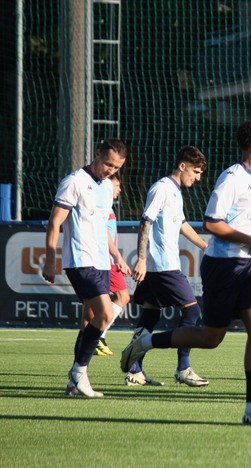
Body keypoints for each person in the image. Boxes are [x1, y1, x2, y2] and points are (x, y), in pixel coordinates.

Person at [121, 120, 251, 425]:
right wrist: (250, 239)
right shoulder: (232, 178)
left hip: (250, 267)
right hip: (223, 268)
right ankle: (145, 343)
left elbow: (247, 227)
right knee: (211, 338)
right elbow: (211, 222)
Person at [42, 138, 129, 397]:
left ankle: (74, 382)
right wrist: (50, 258)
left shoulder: (105, 188)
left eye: (116, 168)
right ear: (97, 154)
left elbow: (102, 227)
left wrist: (117, 257)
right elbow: (55, 222)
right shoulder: (74, 181)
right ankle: (78, 373)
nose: (111, 171)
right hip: (80, 261)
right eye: (108, 164)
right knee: (104, 315)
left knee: (91, 319)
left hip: (102, 261)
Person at [125, 145, 209, 387]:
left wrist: (206, 246)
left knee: (151, 314)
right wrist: (141, 258)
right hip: (162, 266)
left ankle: (134, 370)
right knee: (192, 312)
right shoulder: (161, 188)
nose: (198, 177)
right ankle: (183, 368)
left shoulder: (175, 191)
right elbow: (145, 221)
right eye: (195, 171)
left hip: (158, 266)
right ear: (182, 166)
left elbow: (182, 224)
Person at [94, 173, 131, 357]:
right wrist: (117, 257)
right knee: (122, 297)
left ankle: (95, 338)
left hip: (107, 261)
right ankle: (97, 337)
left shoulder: (107, 208)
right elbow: (103, 234)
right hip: (106, 262)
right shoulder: (103, 209)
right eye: (116, 186)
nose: (119, 190)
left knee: (93, 307)